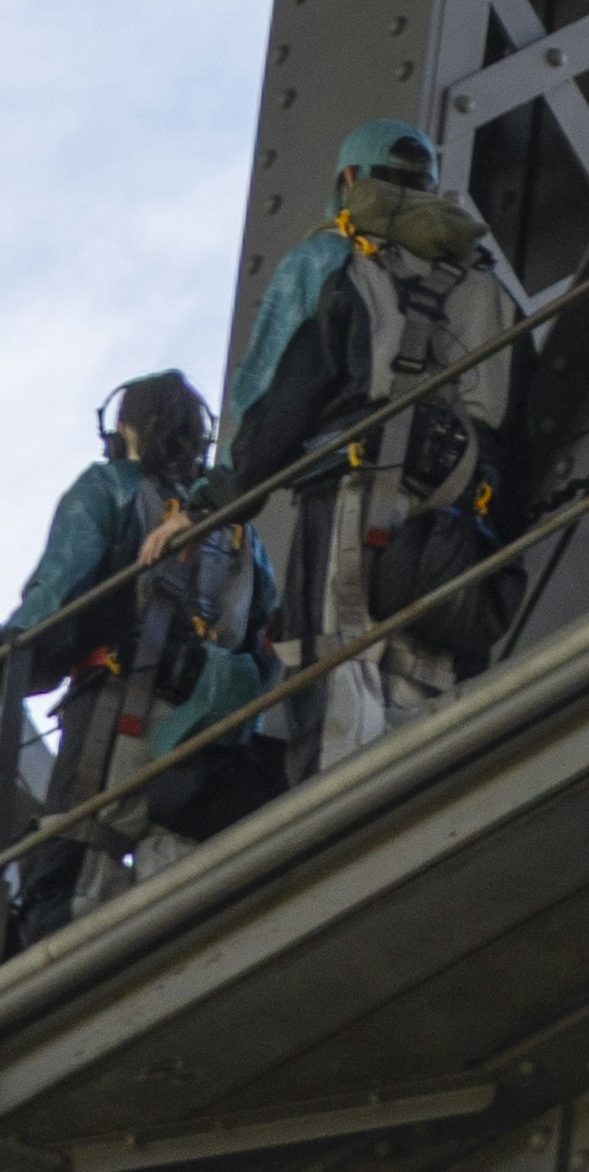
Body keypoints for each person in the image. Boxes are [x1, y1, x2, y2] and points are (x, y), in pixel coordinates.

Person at [214, 119, 507, 757]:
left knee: (333, 676)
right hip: (451, 520)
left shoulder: (329, 259)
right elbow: (515, 422)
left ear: (350, 181)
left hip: (351, 498)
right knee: (427, 678)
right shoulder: (482, 279)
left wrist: (228, 495)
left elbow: (275, 397)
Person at [0, 372, 264, 904]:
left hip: (115, 714)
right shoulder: (234, 526)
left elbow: (55, 596)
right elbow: (261, 629)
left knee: (72, 875)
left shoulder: (108, 485)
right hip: (207, 722)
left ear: (126, 425)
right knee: (180, 876)